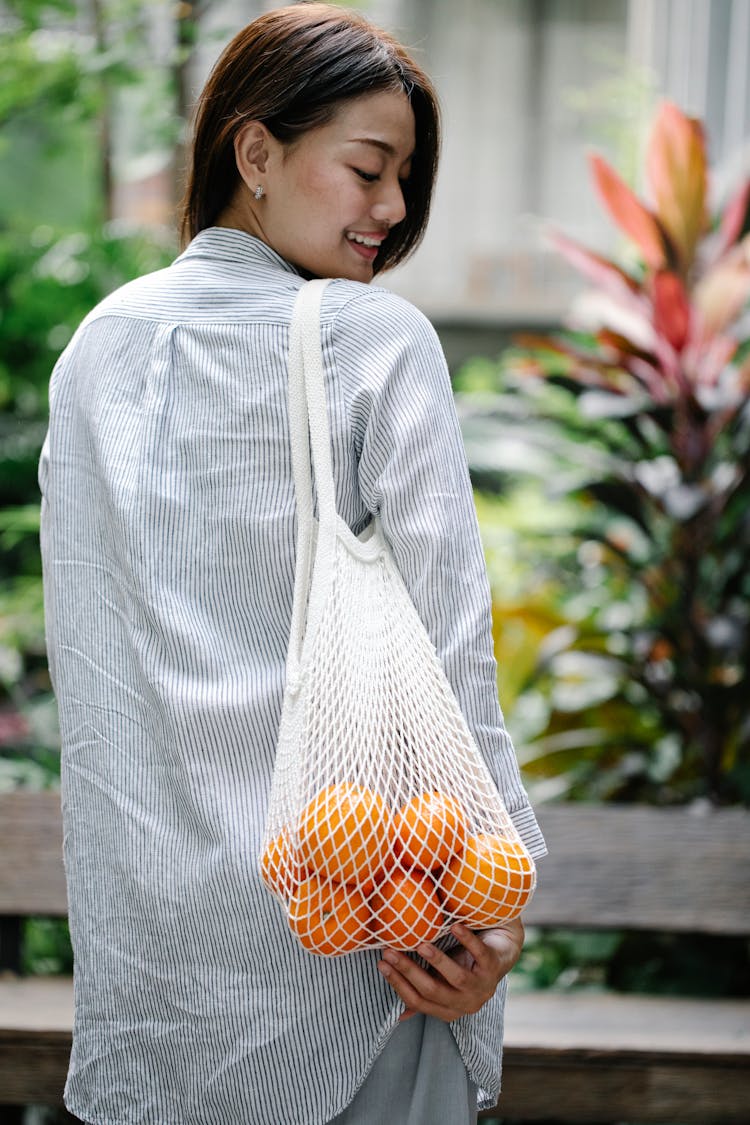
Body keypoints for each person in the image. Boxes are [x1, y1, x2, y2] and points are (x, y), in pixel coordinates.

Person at [39, 4, 546, 1123]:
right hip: (362, 941)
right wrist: (498, 896)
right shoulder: (375, 342)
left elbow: (94, 682)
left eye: (405, 177)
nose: (395, 208)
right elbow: (455, 651)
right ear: (254, 151)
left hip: (156, 978)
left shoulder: (98, 351)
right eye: (370, 168)